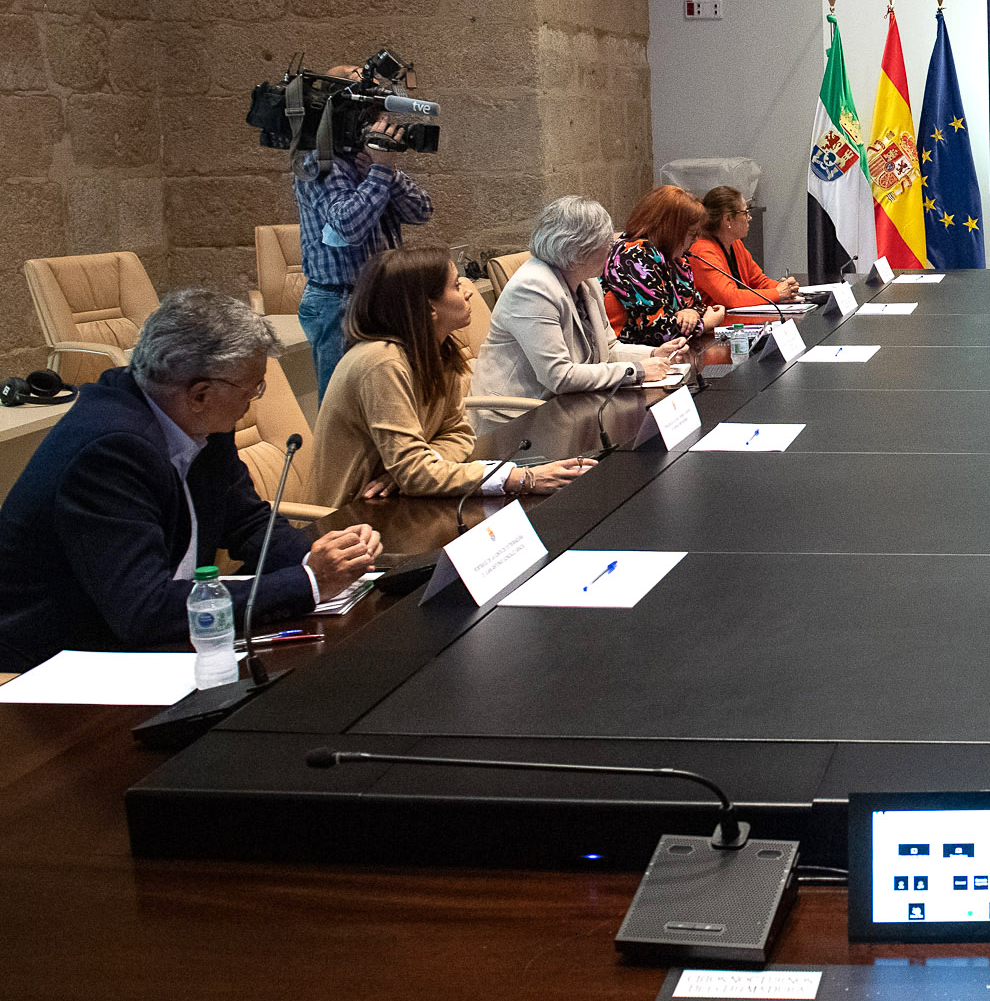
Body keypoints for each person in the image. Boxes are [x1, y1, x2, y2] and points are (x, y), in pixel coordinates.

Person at [0, 290, 382, 672]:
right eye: (253, 390)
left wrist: (325, 560)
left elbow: (247, 522)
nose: (253, 401)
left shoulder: (196, 420)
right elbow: (144, 610)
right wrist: (306, 583)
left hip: (151, 638)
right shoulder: (110, 451)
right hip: (53, 668)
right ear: (200, 394)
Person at [314, 249, 594, 508]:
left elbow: (458, 434)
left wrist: (414, 470)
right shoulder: (381, 362)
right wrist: (516, 477)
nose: (468, 292)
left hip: (406, 501)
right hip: (356, 516)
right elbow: (414, 471)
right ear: (430, 308)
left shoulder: (438, 351)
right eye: (457, 285)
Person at [468, 196, 688, 431]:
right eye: (604, 241)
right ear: (578, 249)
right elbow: (559, 377)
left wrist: (654, 353)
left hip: (568, 407)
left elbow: (609, 350)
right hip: (516, 420)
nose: (611, 246)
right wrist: (638, 370)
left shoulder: (588, 282)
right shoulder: (532, 289)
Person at [293, 64, 435, 398]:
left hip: (379, 297)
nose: (375, 120)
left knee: (387, 397)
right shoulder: (320, 162)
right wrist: (380, 173)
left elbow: (421, 211)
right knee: (344, 404)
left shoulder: (371, 161)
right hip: (338, 301)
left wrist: (388, 172)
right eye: (366, 112)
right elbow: (348, 226)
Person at [605, 186, 728, 346]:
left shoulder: (674, 259)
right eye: (691, 234)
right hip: (631, 356)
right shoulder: (636, 254)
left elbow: (699, 306)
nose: (695, 241)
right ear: (671, 230)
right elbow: (659, 330)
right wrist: (705, 324)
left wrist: (690, 312)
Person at [688, 186, 801, 309]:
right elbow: (730, 298)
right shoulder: (702, 251)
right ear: (728, 219)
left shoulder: (735, 244)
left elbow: (759, 281)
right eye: (745, 213)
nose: (750, 218)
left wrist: (786, 287)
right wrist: (777, 293)